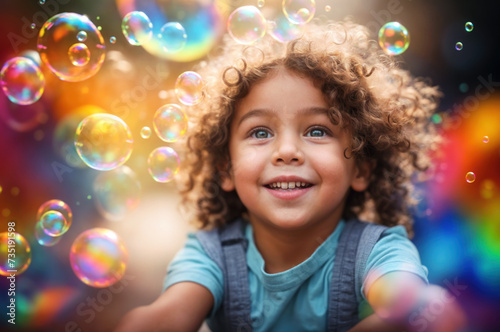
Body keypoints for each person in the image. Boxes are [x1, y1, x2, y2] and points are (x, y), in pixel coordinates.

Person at [115, 19, 466, 332]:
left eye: (316, 131)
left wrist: (417, 307)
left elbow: (412, 306)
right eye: (260, 132)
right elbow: (170, 315)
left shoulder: (376, 251)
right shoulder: (211, 255)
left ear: (360, 168)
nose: (286, 151)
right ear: (226, 168)